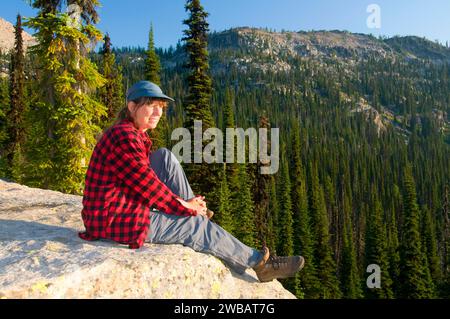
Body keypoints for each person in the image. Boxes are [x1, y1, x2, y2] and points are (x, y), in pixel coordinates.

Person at [79, 80, 305, 282]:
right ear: (131, 107)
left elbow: (143, 176)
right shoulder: (125, 136)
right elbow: (145, 183)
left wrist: (185, 203)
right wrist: (181, 206)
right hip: (113, 217)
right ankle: (259, 263)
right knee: (192, 226)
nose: (158, 112)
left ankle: (197, 215)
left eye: (161, 107)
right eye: (151, 105)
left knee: (165, 157)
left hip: (117, 204)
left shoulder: (130, 132)